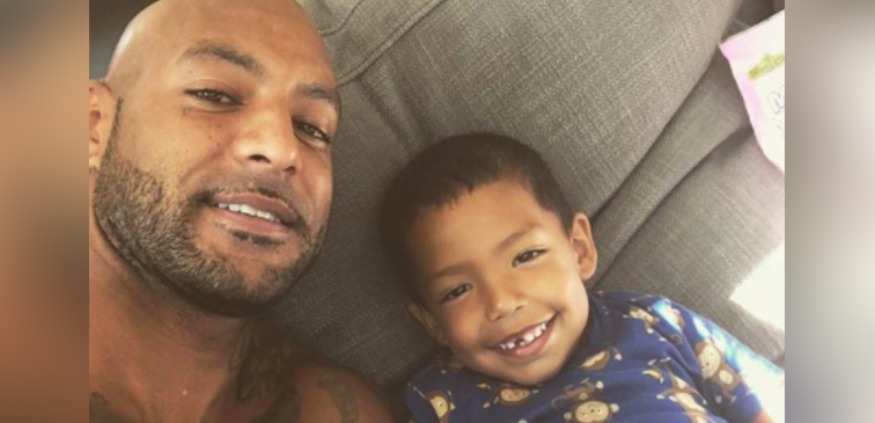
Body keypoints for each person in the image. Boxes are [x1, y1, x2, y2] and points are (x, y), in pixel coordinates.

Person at [89, 0, 394, 421]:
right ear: (92, 125)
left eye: (311, 127)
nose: (282, 148)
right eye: (215, 96)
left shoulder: (336, 408)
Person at [379, 133, 784, 422]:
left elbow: (767, 402)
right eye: (457, 290)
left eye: (526, 256)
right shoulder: (440, 400)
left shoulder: (652, 321)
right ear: (431, 321)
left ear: (579, 249)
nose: (501, 301)